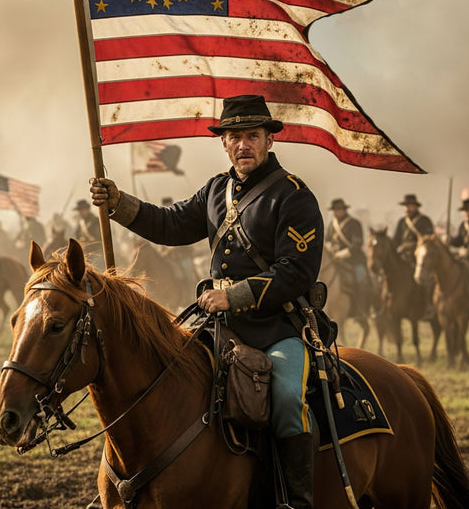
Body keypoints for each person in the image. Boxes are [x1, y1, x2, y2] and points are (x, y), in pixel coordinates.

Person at [90, 94, 323, 509]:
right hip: (218, 330)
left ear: (270, 140)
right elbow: (171, 224)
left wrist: (232, 296)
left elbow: (296, 272)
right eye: (235, 137)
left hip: (277, 329)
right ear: (224, 143)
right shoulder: (217, 190)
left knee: (288, 398)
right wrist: (119, 204)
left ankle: (295, 501)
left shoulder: (294, 196)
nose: (244, 145)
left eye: (253, 136)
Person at [325, 198, 371, 315]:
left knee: (362, 283)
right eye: (334, 210)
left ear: (344, 210)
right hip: (336, 261)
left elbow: (357, 244)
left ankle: (361, 311)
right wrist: (331, 248)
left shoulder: (354, 223)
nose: (335, 213)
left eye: (337, 210)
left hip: (355, 260)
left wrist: (341, 254)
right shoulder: (332, 224)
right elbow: (327, 240)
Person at [392, 194, 434, 265]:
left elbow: (428, 241)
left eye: (410, 206)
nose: (408, 208)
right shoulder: (402, 222)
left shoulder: (424, 221)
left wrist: (411, 246)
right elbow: (396, 240)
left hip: (419, 255)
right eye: (406, 206)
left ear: (415, 207)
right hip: (403, 256)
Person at [72, 199, 103, 268]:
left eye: (82, 210)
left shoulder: (96, 221)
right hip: (84, 252)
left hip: (97, 251)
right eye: (79, 210)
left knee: (97, 265)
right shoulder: (80, 223)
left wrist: (89, 243)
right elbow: (76, 237)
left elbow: (100, 238)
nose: (80, 212)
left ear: (87, 209)